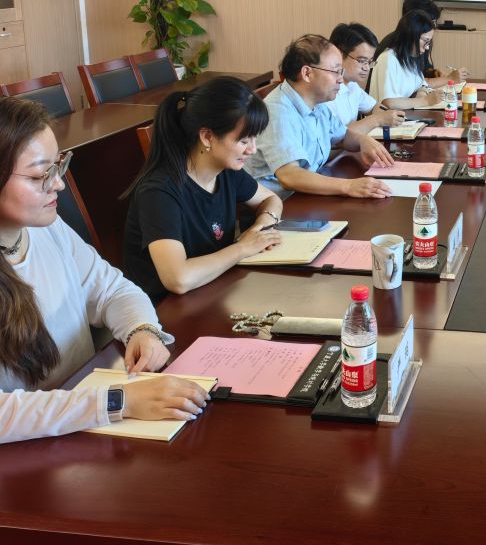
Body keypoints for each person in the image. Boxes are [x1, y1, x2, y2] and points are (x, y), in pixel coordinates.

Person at [0, 98, 208, 444]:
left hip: (82, 417)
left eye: (58, 166)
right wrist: (116, 401)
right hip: (31, 450)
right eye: (39, 175)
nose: (58, 184)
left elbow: (112, 289)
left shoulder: (45, 227)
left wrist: (142, 329)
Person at [121, 76, 285, 302]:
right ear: (207, 137)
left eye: (254, 139)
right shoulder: (158, 191)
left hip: (213, 291)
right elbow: (178, 279)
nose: (252, 150)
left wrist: (259, 228)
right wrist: (243, 248)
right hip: (165, 309)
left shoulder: (226, 170)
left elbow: (271, 200)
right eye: (244, 141)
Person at [244, 35, 393, 198]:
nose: (340, 79)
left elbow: (342, 136)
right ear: (307, 73)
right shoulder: (278, 112)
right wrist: (349, 186)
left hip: (307, 194)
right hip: (279, 204)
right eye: (336, 71)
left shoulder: (317, 102)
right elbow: (289, 176)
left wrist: (363, 141)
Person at [329, 22, 408, 129]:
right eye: (362, 61)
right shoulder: (326, 92)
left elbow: (373, 107)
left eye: (370, 62)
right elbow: (336, 134)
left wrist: (391, 115)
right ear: (339, 54)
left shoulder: (352, 85)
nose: (366, 68)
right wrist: (377, 120)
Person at [368, 10, 446, 107]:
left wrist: (422, 93)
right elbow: (389, 103)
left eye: (429, 42)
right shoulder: (388, 59)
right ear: (411, 36)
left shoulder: (410, 58)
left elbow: (421, 85)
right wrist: (426, 101)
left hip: (404, 114)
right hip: (386, 115)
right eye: (426, 41)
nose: (427, 47)